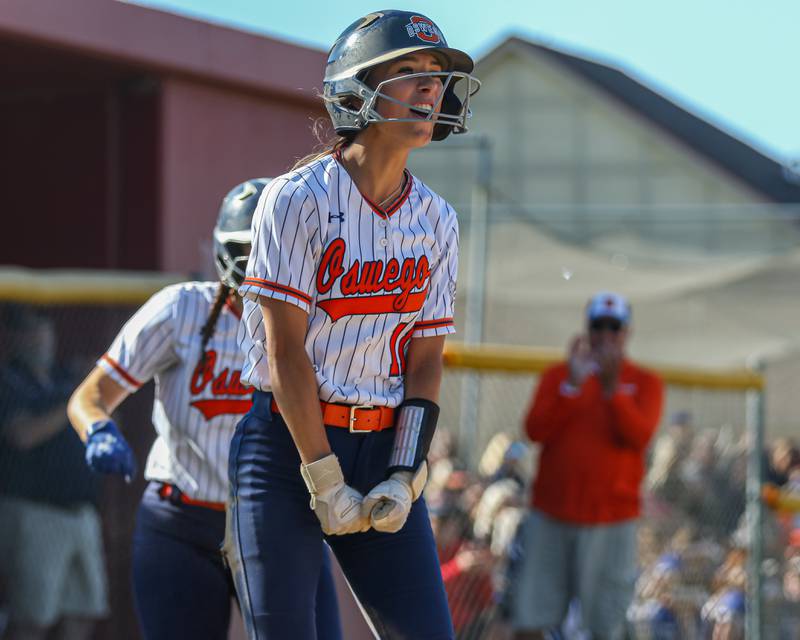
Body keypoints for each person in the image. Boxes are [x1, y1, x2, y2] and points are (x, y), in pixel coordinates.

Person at [223, 9, 480, 639]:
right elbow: (285, 352)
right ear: (357, 90)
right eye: (409, 72)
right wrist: (322, 473)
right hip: (288, 448)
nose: (431, 88)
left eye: (436, 75)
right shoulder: (297, 198)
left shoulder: (438, 219)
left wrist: (407, 469)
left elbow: (425, 362)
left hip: (382, 445)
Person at [66, 179, 342, 640]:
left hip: (278, 521)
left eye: (272, 248)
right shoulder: (182, 310)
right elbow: (89, 397)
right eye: (251, 248)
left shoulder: (318, 324)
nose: (261, 262)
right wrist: (98, 429)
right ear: (223, 249)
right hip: (182, 522)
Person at [512, 292, 664, 640]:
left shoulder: (645, 382)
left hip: (611, 521)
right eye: (599, 327)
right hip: (552, 514)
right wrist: (573, 385)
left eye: (615, 327)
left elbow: (639, 437)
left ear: (627, 333)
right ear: (587, 329)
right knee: (531, 618)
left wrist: (613, 391)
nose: (606, 336)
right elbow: (535, 430)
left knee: (607, 625)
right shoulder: (559, 376)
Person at [0, 309, 108, 640]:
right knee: (33, 618)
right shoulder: (9, 381)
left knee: (85, 611)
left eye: (44, 332)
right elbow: (23, 435)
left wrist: (86, 384)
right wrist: (74, 401)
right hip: (35, 514)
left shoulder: (64, 376)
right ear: (14, 338)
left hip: (81, 513)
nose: (40, 340)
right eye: (31, 333)